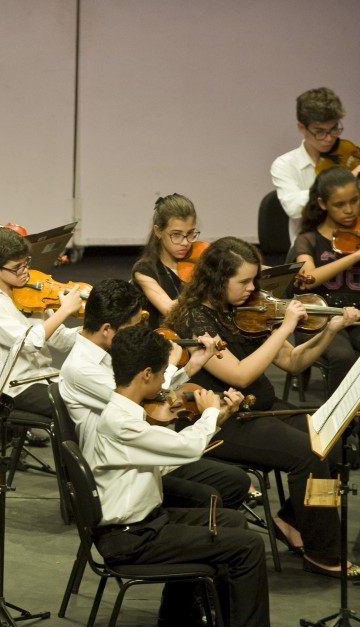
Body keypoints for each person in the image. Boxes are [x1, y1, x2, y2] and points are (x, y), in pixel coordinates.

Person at [91, 324, 303, 627]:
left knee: (231, 522)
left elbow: (169, 457)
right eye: (163, 373)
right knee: (248, 546)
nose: (166, 384)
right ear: (146, 374)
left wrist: (217, 418)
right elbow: (186, 450)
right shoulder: (121, 423)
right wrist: (207, 413)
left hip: (142, 523)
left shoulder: (126, 412)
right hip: (131, 538)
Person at [166, 236, 359, 578]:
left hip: (261, 409)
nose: (252, 288)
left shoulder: (246, 310)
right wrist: (285, 327)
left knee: (333, 442)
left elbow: (294, 361)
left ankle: (292, 520)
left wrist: (330, 331)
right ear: (217, 280)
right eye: (243, 281)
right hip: (224, 420)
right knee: (309, 454)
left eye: (254, 279)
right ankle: (322, 551)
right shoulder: (196, 320)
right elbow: (239, 375)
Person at [59, 278, 250, 516]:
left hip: (142, 449)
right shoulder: (81, 368)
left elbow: (152, 391)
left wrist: (192, 365)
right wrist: (168, 363)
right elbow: (145, 397)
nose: (138, 333)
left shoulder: (111, 351)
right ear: (107, 329)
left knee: (235, 480)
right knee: (210, 496)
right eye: (133, 327)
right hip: (121, 471)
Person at [0, 227, 82, 421]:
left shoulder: (32, 291)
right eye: (17, 267)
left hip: (46, 376)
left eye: (26, 263)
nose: (25, 271)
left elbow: (61, 340)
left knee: (94, 395)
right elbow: (29, 343)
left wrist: (93, 330)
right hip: (14, 387)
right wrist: (64, 311)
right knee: (74, 407)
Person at [288, 166, 360, 391]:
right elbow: (309, 278)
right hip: (320, 318)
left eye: (355, 201)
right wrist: (355, 256)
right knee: (343, 356)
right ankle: (339, 413)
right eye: (339, 204)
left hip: (357, 315)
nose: (349, 210)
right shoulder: (308, 239)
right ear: (322, 204)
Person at [271, 87, 359, 240]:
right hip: (309, 246)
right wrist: (347, 179)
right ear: (301, 127)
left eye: (334, 129)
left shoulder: (350, 154)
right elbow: (294, 209)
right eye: (319, 132)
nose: (329, 138)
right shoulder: (284, 165)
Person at [131, 193, 200, 329]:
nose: (185, 242)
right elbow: (169, 310)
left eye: (190, 233)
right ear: (158, 231)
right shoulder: (144, 270)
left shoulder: (199, 260)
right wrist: (203, 285)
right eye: (176, 235)